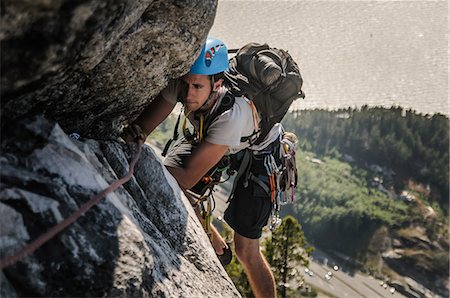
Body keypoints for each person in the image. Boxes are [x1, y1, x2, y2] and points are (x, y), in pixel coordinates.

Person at [122, 37, 282, 298]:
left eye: (197, 86)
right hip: (215, 135)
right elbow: (141, 129)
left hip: (260, 151)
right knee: (170, 175)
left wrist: (142, 158)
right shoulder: (187, 83)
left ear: (217, 84)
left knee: (246, 250)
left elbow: (185, 178)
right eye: (186, 84)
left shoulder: (233, 115)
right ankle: (214, 242)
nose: (188, 94)